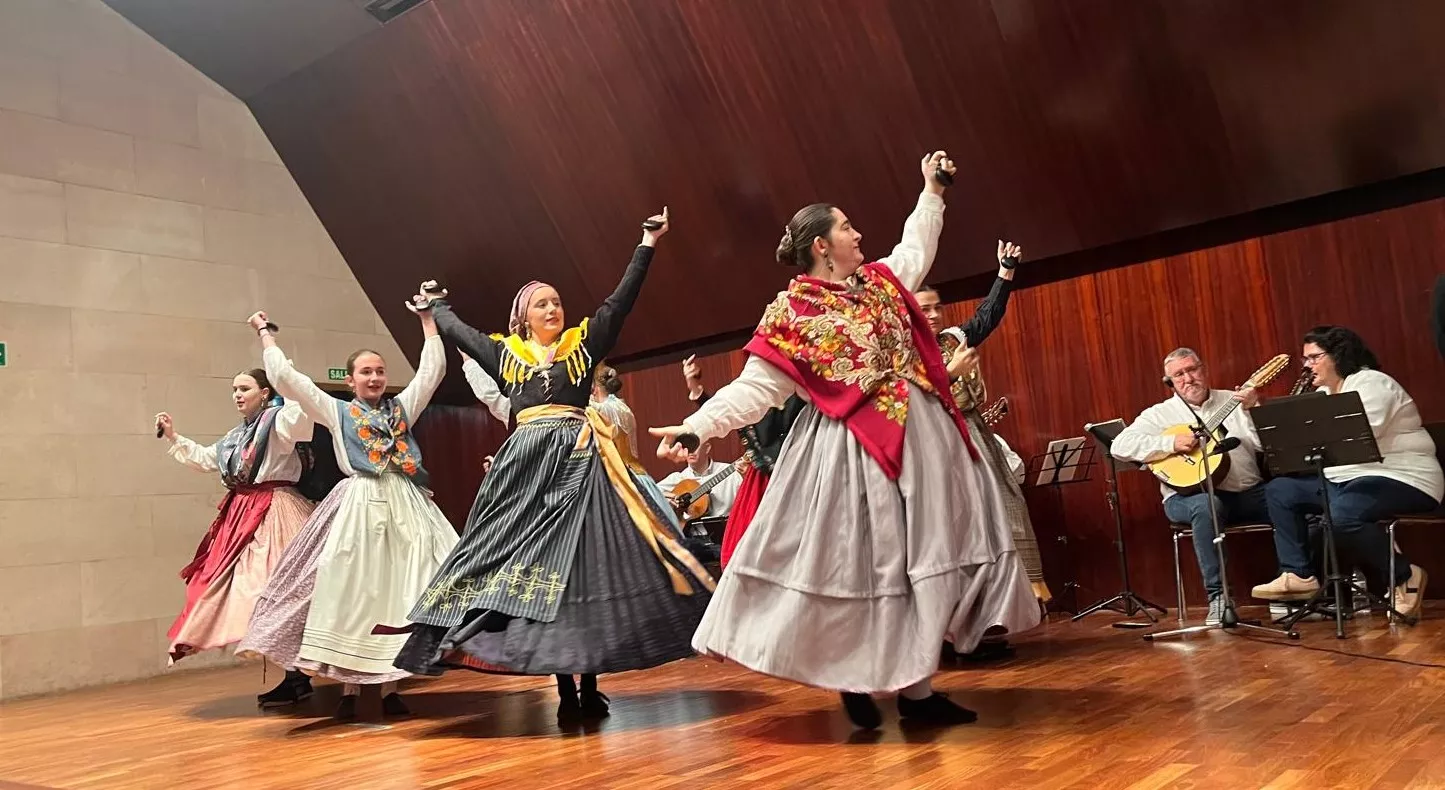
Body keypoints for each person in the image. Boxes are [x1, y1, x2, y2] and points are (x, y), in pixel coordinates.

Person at [652, 152, 1039, 730]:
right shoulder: (793, 313)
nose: (858, 235)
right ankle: (857, 675)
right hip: (848, 451)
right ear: (821, 246)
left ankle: (917, 692)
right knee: (866, 569)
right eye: (847, 227)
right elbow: (756, 387)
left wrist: (932, 192)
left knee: (920, 563)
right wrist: (698, 425)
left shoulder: (880, 284)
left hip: (919, 442)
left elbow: (915, 249)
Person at [393, 208, 715, 721]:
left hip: (581, 464)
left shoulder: (581, 348)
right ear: (524, 317)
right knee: (526, 566)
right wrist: (436, 306)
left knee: (584, 569)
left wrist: (647, 244)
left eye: (558, 302)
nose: (553, 309)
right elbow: (459, 331)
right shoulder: (506, 356)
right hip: (524, 471)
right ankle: (564, 690)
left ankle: (589, 687)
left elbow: (620, 302)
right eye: (542, 303)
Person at [236, 299, 458, 720]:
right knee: (352, 590)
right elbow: (288, 380)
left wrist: (428, 323)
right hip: (361, 505)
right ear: (352, 379)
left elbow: (431, 374)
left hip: (406, 503)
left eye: (380, 371)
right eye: (366, 372)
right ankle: (351, 689)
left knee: (402, 589)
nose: (374, 378)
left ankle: (391, 688)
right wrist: (265, 335)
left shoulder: (401, 409)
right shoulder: (337, 411)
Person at [1253, 326, 1440, 618]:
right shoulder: (1324, 393)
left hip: (1403, 477)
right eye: (1305, 359)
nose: (1307, 366)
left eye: (1314, 357)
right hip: (1345, 481)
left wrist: (1305, 431)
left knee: (1342, 515)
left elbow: (1358, 436)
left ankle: (1405, 576)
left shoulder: (1373, 382)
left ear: (1338, 355)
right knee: (1281, 490)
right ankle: (1298, 574)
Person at [156, 370, 318, 705]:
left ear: (265, 392)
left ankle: (300, 674)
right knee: (241, 590)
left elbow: (300, 421)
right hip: (242, 513)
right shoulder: (238, 435)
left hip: (276, 510)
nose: (237, 395)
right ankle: (294, 675)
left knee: (277, 588)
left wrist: (284, 377)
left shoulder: (277, 422)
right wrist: (174, 437)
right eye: (234, 389)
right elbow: (208, 458)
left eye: (244, 388)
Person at [916, 242, 1049, 607]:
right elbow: (913, 397)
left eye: (937, 307)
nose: (933, 315)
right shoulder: (905, 352)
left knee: (1005, 500)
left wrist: (1005, 272)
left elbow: (987, 316)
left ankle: (1019, 591)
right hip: (938, 438)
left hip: (974, 430)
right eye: (924, 309)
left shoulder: (952, 339)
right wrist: (950, 373)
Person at [1111, 348, 1266, 625]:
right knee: (1207, 505)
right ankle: (1219, 598)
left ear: (1203, 369)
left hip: (1245, 494)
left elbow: (1263, 445)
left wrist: (1253, 410)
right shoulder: (1159, 414)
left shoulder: (1235, 400)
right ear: (1169, 382)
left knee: (1292, 495)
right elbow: (1119, 446)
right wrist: (1169, 443)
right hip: (1187, 498)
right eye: (1179, 375)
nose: (1188, 378)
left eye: (1192, 370)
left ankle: (1297, 588)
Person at [682, 355, 805, 568]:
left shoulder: (790, 396)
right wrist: (695, 391)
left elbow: (748, 400)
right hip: (769, 476)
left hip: (798, 470)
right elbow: (741, 405)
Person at [658, 439, 742, 520]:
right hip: (689, 529)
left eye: (694, 446)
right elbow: (650, 496)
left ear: (707, 448)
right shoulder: (677, 478)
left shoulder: (733, 473)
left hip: (728, 527)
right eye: (685, 447)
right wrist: (667, 501)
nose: (690, 451)